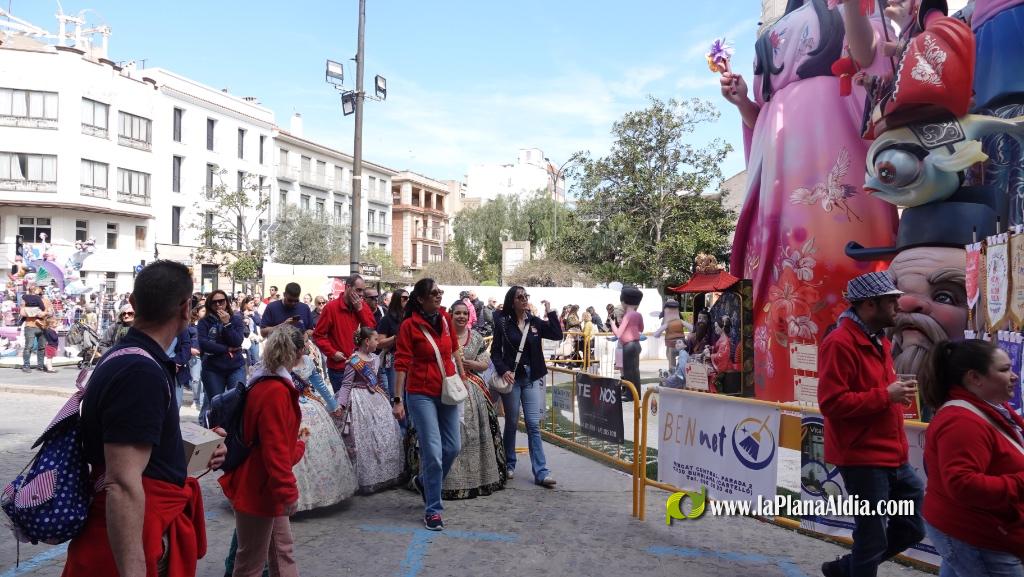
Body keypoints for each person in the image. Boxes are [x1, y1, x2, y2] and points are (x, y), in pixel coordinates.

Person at [721, 0, 900, 402]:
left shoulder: (857, 8)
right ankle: (783, 397)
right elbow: (765, 116)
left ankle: (854, 400)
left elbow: (871, 63)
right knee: (780, 285)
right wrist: (744, 102)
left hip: (832, 140)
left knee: (831, 267)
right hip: (779, 175)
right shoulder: (786, 20)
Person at [62, 260, 226, 577]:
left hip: (126, 536)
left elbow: (142, 448)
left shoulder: (129, 357)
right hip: (128, 545)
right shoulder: (140, 371)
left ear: (134, 304)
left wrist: (198, 450)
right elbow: (123, 482)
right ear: (186, 308)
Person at [817, 272, 924, 577]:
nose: (898, 306)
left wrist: (892, 396)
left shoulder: (880, 340)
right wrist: (885, 396)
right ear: (868, 305)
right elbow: (832, 404)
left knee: (913, 526)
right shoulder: (839, 343)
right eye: (891, 301)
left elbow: (873, 395)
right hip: (862, 458)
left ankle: (845, 569)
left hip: (892, 454)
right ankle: (852, 568)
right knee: (872, 538)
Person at [917, 339, 1024, 576]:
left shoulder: (991, 409)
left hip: (971, 531)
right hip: (977, 535)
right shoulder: (961, 421)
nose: (1014, 376)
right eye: (1004, 370)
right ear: (975, 378)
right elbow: (963, 484)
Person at [219, 325, 306, 577]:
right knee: (251, 563)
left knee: (280, 552)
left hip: (261, 485)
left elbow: (275, 445)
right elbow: (275, 449)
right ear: (298, 352)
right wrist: (288, 491)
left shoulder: (264, 382)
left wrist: (297, 446)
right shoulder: (276, 390)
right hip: (259, 487)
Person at [393, 278, 465, 530]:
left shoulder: (445, 320)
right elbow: (401, 363)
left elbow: (454, 350)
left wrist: (462, 377)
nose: (438, 296)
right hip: (420, 394)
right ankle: (433, 509)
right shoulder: (409, 326)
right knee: (433, 453)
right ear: (421, 298)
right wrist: (398, 399)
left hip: (446, 391)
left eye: (440, 292)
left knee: (453, 447)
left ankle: (424, 482)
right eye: (433, 293)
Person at [433, 299, 506, 499]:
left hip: (472, 387)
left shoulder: (476, 337)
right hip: (446, 386)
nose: (462, 317)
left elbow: (484, 364)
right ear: (450, 314)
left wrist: (465, 363)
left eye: (465, 313)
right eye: (457, 313)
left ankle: (478, 477)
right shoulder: (441, 336)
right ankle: (440, 480)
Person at [491, 286, 562, 487]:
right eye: (519, 297)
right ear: (512, 301)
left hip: (531, 377)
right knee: (512, 422)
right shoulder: (503, 323)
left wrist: (550, 311)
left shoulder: (535, 322)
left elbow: (557, 334)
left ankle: (541, 471)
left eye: (525, 296)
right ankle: (509, 463)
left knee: (533, 425)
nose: (524, 299)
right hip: (512, 379)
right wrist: (504, 369)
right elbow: (495, 352)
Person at [335, 327, 405, 493]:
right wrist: (341, 404)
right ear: (367, 342)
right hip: (359, 400)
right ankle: (367, 478)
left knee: (382, 434)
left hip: (377, 399)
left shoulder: (375, 358)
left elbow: (379, 380)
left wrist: (387, 399)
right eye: (375, 340)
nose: (377, 342)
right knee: (364, 438)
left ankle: (386, 475)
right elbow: (346, 384)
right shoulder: (354, 360)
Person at [313, 273, 376, 393]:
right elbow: (318, 335)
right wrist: (332, 353)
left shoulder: (362, 306)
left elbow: (371, 331)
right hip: (339, 368)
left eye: (362, 291)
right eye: (358, 290)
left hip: (360, 366)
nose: (361, 294)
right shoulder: (331, 307)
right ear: (347, 288)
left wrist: (360, 310)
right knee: (343, 408)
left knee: (359, 407)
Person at [197, 289, 247, 425]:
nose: (218, 304)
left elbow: (237, 341)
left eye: (221, 301)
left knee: (237, 403)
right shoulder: (204, 322)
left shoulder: (235, 319)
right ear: (209, 305)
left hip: (235, 367)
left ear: (227, 302)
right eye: (214, 302)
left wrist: (227, 324)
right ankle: (214, 438)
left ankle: (231, 438)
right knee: (216, 405)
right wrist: (227, 349)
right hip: (213, 368)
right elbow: (204, 344)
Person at [609, 286, 644, 399]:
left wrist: (612, 324)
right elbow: (641, 328)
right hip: (636, 344)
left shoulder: (627, 316)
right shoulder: (638, 315)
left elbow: (618, 333)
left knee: (629, 371)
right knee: (635, 370)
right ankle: (636, 393)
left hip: (628, 345)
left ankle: (629, 394)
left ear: (624, 301)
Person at [375, 289, 408, 398]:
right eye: (404, 298)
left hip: (411, 358)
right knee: (396, 394)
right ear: (396, 300)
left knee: (410, 392)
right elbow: (379, 343)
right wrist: (396, 337)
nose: (407, 301)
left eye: (409, 298)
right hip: (394, 358)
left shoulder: (410, 318)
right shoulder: (387, 319)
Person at [653, 300, 687, 373]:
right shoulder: (680, 321)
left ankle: (673, 373)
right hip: (681, 343)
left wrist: (657, 334)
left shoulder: (667, 322)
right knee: (682, 358)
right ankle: (680, 372)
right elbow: (692, 328)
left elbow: (658, 332)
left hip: (671, 344)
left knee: (671, 360)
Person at [19, 285, 47, 373]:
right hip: (30, 326)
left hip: (42, 326)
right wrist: (38, 313)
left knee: (42, 347)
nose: (40, 290)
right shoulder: (25, 299)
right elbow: (22, 312)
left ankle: (40, 365)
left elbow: (49, 312)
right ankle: (26, 365)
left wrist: (44, 313)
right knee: (29, 347)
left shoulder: (46, 300)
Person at [241, 296, 263, 367]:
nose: (253, 304)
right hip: (245, 340)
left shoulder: (255, 313)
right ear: (246, 304)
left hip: (254, 340)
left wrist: (253, 315)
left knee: (256, 361)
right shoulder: (240, 314)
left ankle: (255, 377)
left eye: (253, 303)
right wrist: (244, 318)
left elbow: (259, 322)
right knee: (247, 361)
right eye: (251, 303)